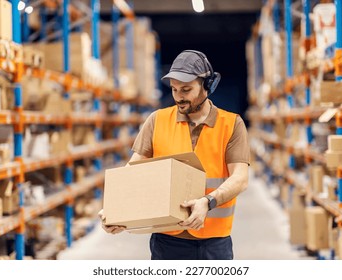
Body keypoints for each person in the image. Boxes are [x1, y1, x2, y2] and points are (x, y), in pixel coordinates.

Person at [99, 50, 249, 260]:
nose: (179, 96)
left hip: (215, 243)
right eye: (174, 89)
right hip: (167, 241)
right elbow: (132, 173)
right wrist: (116, 211)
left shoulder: (231, 124)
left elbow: (240, 178)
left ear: (207, 86)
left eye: (186, 89)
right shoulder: (157, 120)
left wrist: (208, 202)